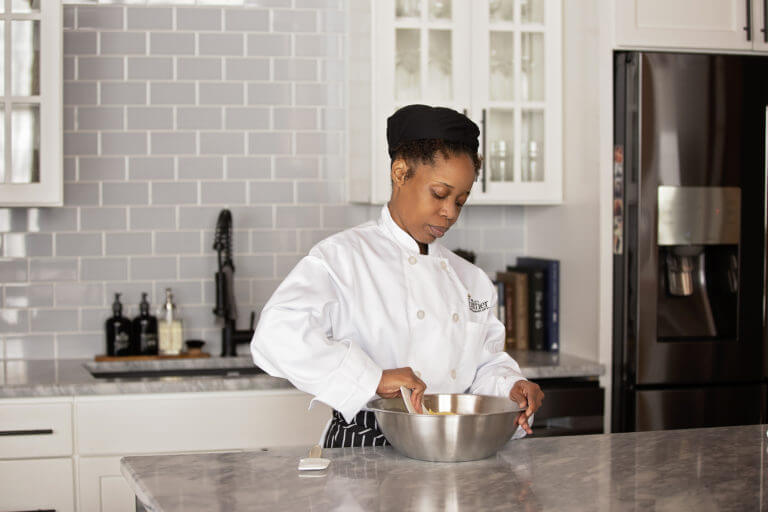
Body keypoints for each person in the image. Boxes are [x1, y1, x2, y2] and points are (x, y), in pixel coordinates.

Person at [250, 104, 544, 448]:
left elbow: (485, 366)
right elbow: (275, 335)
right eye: (439, 194)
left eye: (460, 201)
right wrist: (373, 379)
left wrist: (511, 386)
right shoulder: (342, 258)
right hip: (365, 446)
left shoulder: (472, 281)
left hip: (451, 446)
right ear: (400, 173)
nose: (449, 212)